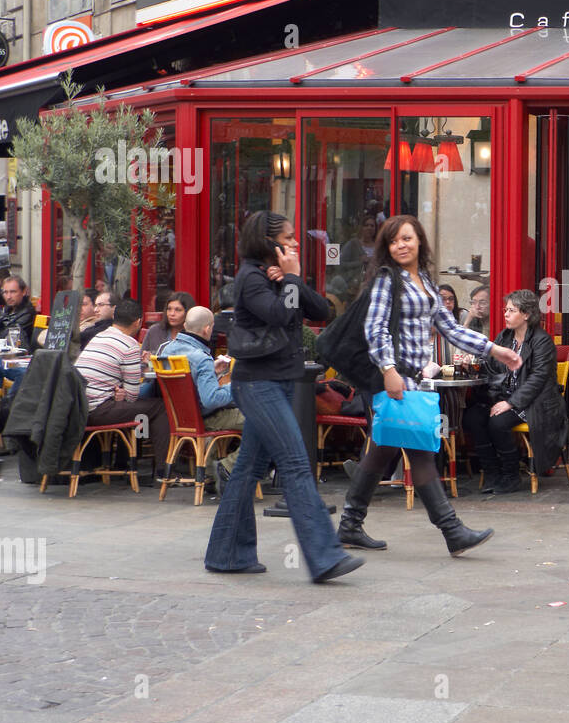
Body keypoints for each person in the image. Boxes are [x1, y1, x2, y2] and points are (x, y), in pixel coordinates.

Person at [340, 215, 521, 554]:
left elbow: (451, 329)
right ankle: (452, 532)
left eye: (407, 238)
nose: (401, 245)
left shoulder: (423, 280)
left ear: (419, 241)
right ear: (387, 247)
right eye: (394, 241)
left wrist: (495, 348)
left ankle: (350, 523)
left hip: (413, 379)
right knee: (420, 454)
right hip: (394, 378)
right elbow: (375, 329)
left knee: (383, 452)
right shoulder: (385, 280)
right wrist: (389, 370)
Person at [204, 210, 364, 583]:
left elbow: (322, 309)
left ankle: (227, 554)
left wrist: (292, 278)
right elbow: (279, 315)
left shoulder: (273, 277)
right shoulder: (250, 279)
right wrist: (289, 278)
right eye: (288, 237)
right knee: (295, 463)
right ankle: (324, 557)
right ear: (267, 241)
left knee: (247, 470)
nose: (294, 242)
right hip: (259, 385)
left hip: (278, 383)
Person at [462, 289, 568, 496]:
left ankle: (511, 475)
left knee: (498, 422)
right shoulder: (505, 337)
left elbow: (537, 379)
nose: (505, 314)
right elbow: (493, 366)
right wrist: (474, 363)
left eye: (511, 310)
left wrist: (511, 403)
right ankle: (492, 473)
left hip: (534, 402)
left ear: (526, 314)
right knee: (473, 418)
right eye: (505, 310)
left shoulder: (542, 341)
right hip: (505, 397)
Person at [73, 298, 171, 468]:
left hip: (77, 408)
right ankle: (165, 471)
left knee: (136, 407)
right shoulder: (130, 345)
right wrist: (123, 394)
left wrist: (121, 394)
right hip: (97, 410)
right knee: (160, 407)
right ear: (138, 322)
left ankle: (126, 462)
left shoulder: (98, 337)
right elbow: (132, 396)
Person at [156, 305, 242, 483]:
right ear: (207, 329)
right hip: (206, 417)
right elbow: (211, 400)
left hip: (181, 419)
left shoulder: (167, 350)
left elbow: (188, 385)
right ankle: (227, 466)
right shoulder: (201, 358)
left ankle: (209, 475)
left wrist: (213, 372)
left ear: (186, 326)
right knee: (262, 422)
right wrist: (237, 387)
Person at [0, 277, 36, 394]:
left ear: (24, 292)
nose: (9, 296)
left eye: (13, 292)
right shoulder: (7, 310)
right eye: (5, 292)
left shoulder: (28, 312)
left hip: (20, 359)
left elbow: (7, 333)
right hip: (8, 357)